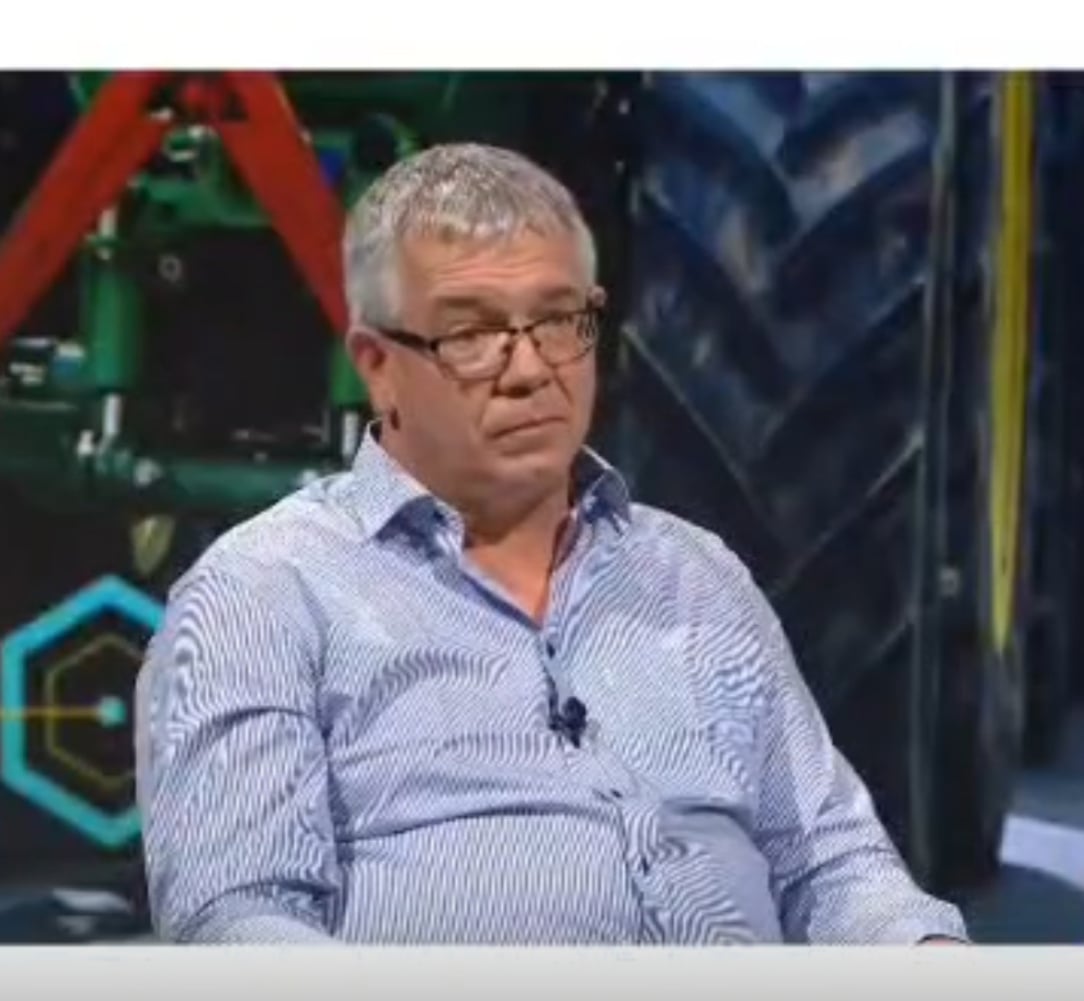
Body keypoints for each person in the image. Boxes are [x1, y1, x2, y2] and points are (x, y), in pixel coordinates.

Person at [134, 142, 968, 945]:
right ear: (377, 364)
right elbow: (237, 918)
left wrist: (924, 949)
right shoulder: (265, 590)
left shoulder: (696, 574)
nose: (531, 370)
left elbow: (832, 863)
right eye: (471, 335)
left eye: (560, 321)